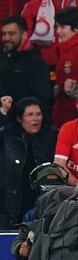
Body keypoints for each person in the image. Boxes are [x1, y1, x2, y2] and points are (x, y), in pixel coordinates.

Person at [0, 97, 57, 229]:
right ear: (19, 118)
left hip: (42, 201)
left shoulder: (53, 135)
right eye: (30, 115)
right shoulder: (6, 136)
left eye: (38, 114)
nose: (35, 119)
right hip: (11, 202)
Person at [0, 17, 53, 115]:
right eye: (4, 34)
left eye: (11, 34)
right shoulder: (3, 58)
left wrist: (23, 116)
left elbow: (42, 98)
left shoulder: (36, 61)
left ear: (24, 35)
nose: (6, 38)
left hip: (23, 119)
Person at [50, 8, 78, 127]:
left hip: (75, 112)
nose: (58, 31)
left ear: (76, 28)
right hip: (62, 110)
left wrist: (60, 89)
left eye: (62, 27)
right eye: (57, 27)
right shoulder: (63, 49)